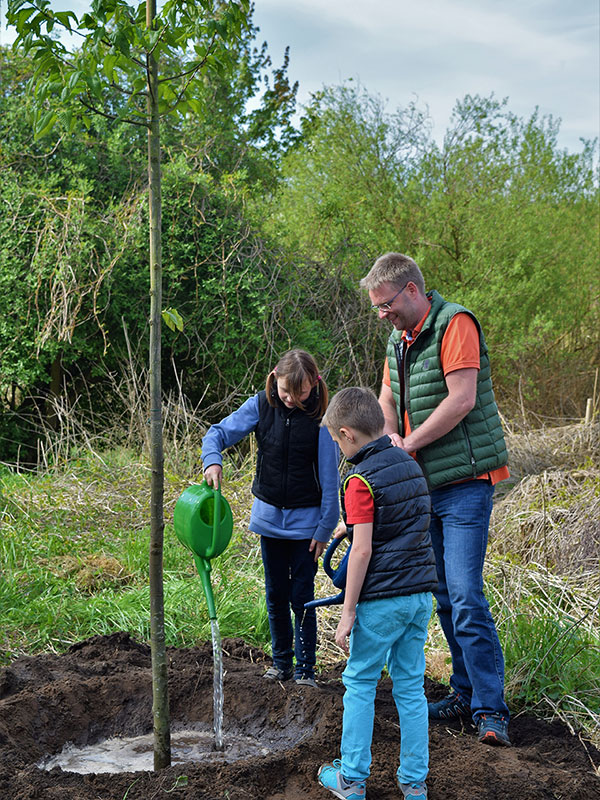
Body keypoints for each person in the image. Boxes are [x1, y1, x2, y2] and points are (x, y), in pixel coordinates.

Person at [360, 252, 511, 747]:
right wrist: (384, 446)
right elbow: (386, 400)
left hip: (465, 483)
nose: (381, 314)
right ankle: (464, 692)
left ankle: (492, 710)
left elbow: (462, 398)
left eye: (385, 305)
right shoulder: (395, 339)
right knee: (443, 594)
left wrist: (409, 443)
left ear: (409, 290)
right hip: (424, 488)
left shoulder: (455, 324)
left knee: (466, 595)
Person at [318, 387, 437, 800]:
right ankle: (414, 783)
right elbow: (398, 524)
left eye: (336, 440)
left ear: (348, 434)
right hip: (420, 595)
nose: (337, 447)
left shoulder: (359, 479)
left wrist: (348, 611)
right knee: (410, 687)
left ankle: (351, 779)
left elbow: (364, 550)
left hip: (383, 600)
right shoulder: (409, 465)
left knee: (360, 682)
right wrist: (350, 526)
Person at [201, 349, 339, 687]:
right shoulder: (260, 405)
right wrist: (212, 459)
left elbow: (331, 480)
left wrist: (325, 528)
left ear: (314, 384)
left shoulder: (323, 420)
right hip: (269, 521)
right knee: (276, 594)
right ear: (273, 382)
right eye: (285, 391)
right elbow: (217, 432)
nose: (291, 399)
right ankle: (281, 664)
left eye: (300, 392)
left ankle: (306, 669)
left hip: (307, 527)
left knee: (302, 596)